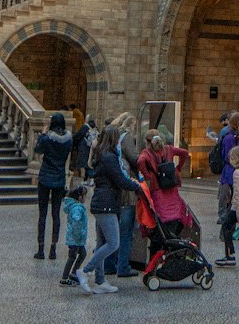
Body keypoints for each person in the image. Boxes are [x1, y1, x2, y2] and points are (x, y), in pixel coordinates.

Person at [78, 125, 143, 294]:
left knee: (101, 243)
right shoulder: (109, 157)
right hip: (106, 204)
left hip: (100, 202)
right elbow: (120, 179)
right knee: (114, 243)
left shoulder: (101, 155)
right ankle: (85, 271)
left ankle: (100, 281)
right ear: (114, 139)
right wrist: (136, 186)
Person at [137, 127, 190, 258]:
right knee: (173, 225)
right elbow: (184, 152)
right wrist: (178, 168)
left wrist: (147, 175)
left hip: (157, 192)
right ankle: (172, 256)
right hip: (171, 190)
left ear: (146, 141)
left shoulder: (147, 153)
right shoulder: (168, 149)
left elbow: (140, 161)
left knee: (158, 228)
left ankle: (154, 259)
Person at [34, 112, 73, 260]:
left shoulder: (47, 139)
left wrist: (43, 133)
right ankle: (53, 249)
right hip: (59, 178)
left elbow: (38, 150)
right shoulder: (68, 140)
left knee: (42, 214)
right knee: (56, 214)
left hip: (45, 178)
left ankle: (40, 249)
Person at [103, 124, 139, 281]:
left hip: (112, 200)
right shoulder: (118, 159)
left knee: (112, 233)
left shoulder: (104, 155)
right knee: (125, 232)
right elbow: (134, 162)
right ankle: (122, 266)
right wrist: (136, 185)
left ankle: (109, 265)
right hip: (126, 198)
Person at [215, 114, 239, 264]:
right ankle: (226, 234)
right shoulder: (229, 137)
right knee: (230, 207)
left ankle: (232, 233)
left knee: (235, 207)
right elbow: (228, 157)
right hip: (230, 176)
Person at [60, 182, 89, 286]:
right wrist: (79, 235)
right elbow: (76, 223)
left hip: (77, 239)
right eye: (85, 195)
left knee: (83, 254)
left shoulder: (76, 207)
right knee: (72, 257)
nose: (86, 197)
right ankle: (64, 278)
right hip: (75, 239)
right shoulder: (77, 208)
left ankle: (73, 273)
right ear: (80, 197)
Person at [69, 109, 90, 179]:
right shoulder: (94, 128)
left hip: (83, 148)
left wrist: (72, 140)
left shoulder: (85, 127)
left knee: (82, 164)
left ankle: (82, 178)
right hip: (90, 148)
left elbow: (78, 135)